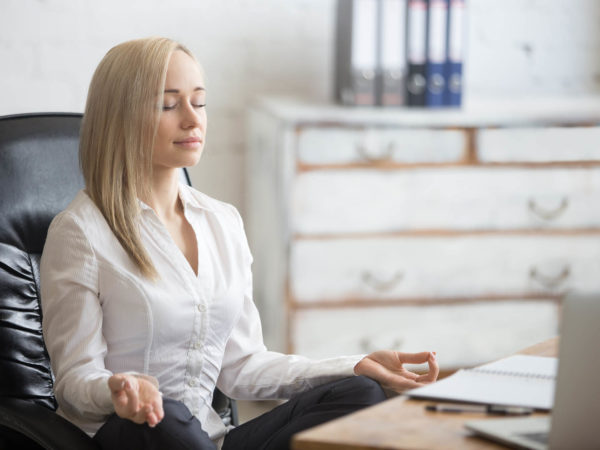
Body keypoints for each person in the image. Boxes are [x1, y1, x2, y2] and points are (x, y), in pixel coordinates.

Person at [40, 37, 439, 450]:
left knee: (360, 394)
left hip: (210, 441)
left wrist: (356, 367)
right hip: (131, 437)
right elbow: (73, 381)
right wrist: (117, 391)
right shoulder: (80, 233)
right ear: (120, 116)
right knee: (165, 419)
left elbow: (242, 366)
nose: (193, 120)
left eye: (199, 101)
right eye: (168, 104)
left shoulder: (222, 222)